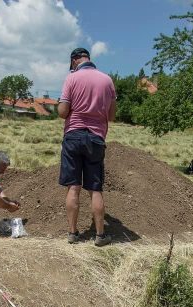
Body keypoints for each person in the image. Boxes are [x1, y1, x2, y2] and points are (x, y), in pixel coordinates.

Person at [58, 47, 117, 247]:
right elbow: (111, 116)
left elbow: (63, 111)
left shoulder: (71, 78)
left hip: (73, 136)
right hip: (96, 138)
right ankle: (100, 236)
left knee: (73, 187)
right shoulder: (107, 80)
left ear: (75, 60)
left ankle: (73, 234)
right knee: (95, 189)